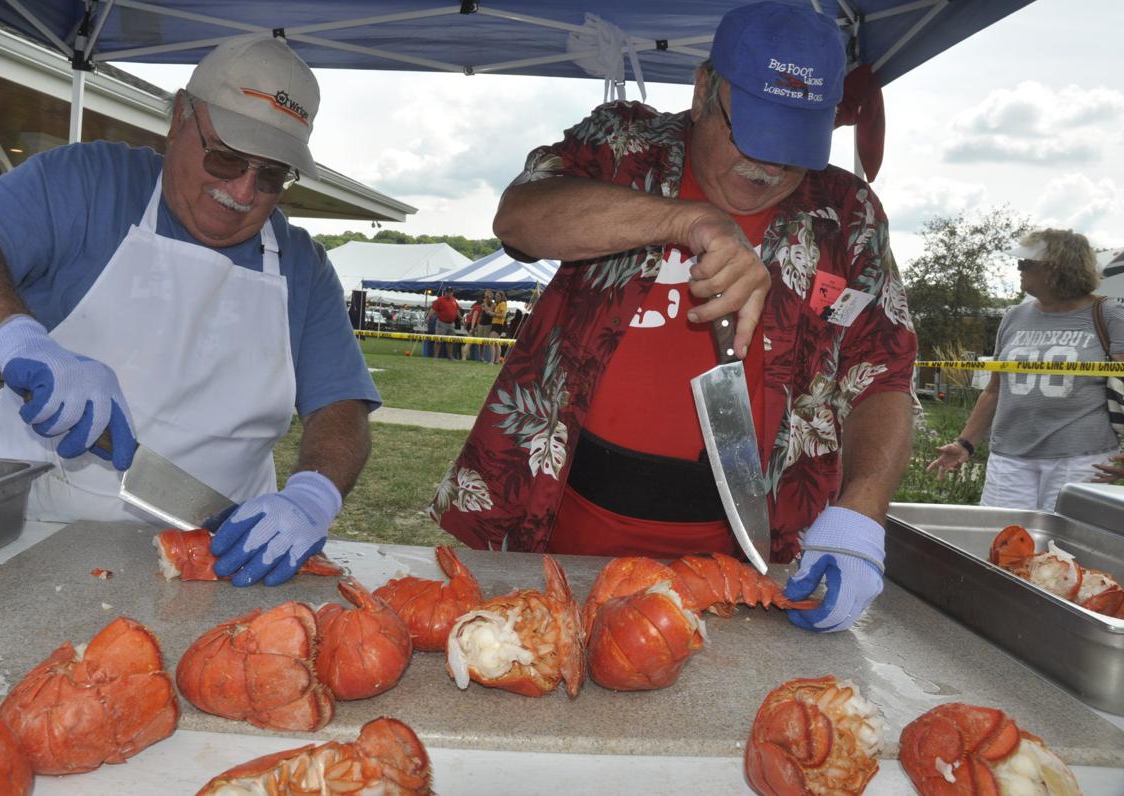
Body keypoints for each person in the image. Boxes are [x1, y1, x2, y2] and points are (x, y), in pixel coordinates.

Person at [429, 2, 917, 634]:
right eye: (752, 136)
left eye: (792, 151)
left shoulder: (847, 213)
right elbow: (519, 217)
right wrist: (687, 220)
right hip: (560, 519)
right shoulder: (622, 145)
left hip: (755, 554)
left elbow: (883, 375)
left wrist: (864, 508)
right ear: (703, 87)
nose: (767, 170)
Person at [0, 34, 379, 587]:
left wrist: (314, 494)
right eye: (226, 157)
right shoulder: (88, 183)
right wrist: (23, 341)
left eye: (270, 176)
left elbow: (342, 407)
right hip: (27, 530)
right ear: (181, 118)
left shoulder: (303, 266)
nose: (241, 190)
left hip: (217, 555)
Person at [928, 229, 1124, 511]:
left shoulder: (1111, 314)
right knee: (1002, 543)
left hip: (1080, 460)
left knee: (1066, 549)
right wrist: (964, 445)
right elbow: (994, 390)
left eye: (1025, 263)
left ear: (1057, 267)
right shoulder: (1014, 316)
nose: (1018, 269)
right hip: (1009, 459)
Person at [427, 287, 461, 360]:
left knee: (450, 341)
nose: (449, 293)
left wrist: (461, 318)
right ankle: (435, 357)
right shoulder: (440, 299)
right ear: (445, 292)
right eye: (448, 292)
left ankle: (450, 356)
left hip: (451, 324)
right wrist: (428, 317)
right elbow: (433, 309)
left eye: (451, 292)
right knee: (438, 340)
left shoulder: (454, 300)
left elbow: (457, 310)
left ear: (452, 293)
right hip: (441, 323)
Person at [464, 289, 496, 362]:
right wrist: (476, 326)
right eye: (485, 295)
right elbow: (481, 315)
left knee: (488, 342)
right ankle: (481, 357)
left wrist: (485, 304)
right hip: (481, 324)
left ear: (491, 296)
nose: (486, 297)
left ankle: (491, 359)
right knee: (480, 342)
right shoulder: (482, 304)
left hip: (488, 324)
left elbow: (489, 311)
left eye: (488, 295)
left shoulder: (493, 304)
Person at [488, 290, 509, 364]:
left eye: (498, 296)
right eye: (496, 296)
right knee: (496, 343)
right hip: (496, 324)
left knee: (491, 342)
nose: (496, 297)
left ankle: (492, 361)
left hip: (498, 325)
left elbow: (503, 315)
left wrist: (493, 314)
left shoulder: (503, 304)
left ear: (502, 297)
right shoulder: (498, 304)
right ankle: (497, 360)